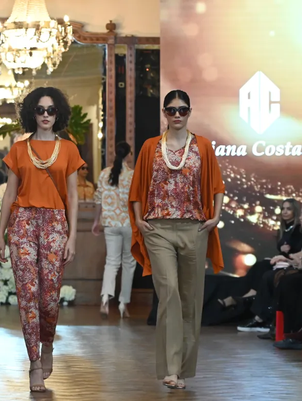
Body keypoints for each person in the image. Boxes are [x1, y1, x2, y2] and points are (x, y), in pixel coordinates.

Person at [128, 90, 224, 390]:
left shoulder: (203, 146)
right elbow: (137, 187)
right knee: (168, 292)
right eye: (171, 110)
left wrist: (215, 217)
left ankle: (182, 370)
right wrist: (139, 220)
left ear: (190, 112)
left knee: (190, 300)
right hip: (158, 228)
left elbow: (217, 185)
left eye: (182, 110)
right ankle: (170, 369)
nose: (177, 115)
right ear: (164, 113)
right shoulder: (150, 146)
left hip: (194, 228)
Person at [0, 87, 84, 393]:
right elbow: (9, 194)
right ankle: (33, 362)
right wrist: (0, 235)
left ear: (59, 114)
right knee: (27, 294)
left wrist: (73, 235)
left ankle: (47, 343)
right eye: (40, 110)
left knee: (48, 297)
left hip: (55, 224)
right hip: (23, 222)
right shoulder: (20, 149)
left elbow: (73, 196)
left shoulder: (68, 149)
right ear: (31, 113)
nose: (46, 115)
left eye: (51, 110)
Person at [92, 142, 136, 318]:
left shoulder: (104, 174)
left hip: (110, 223)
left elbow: (98, 199)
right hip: (128, 223)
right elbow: (137, 201)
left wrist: (96, 221)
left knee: (111, 262)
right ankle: (123, 303)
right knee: (129, 263)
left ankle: (105, 298)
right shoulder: (132, 175)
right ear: (129, 155)